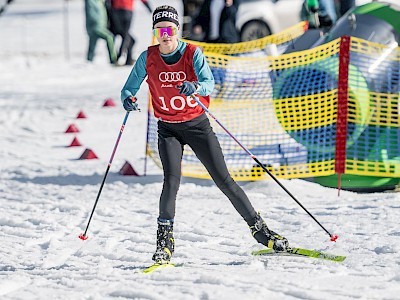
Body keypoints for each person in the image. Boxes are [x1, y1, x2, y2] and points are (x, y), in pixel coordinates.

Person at [120, 5, 288, 264]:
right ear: (154, 32)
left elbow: (209, 83)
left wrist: (195, 86)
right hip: (168, 128)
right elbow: (128, 88)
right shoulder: (148, 57)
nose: (165, 35)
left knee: (224, 180)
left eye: (170, 29)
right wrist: (128, 98)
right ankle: (164, 243)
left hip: (197, 126)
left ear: (177, 30)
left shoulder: (192, 53)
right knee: (171, 181)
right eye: (159, 30)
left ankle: (261, 231)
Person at [107, 0, 152, 66]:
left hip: (115, 10)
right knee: (125, 35)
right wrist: (149, 7)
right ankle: (119, 57)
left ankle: (125, 59)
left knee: (124, 35)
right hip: (126, 10)